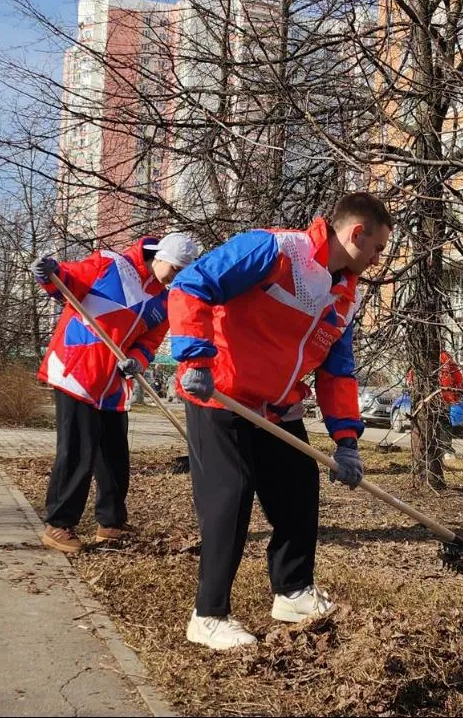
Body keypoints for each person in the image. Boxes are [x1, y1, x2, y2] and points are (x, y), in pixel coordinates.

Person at [168, 192, 391, 650]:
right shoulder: (272, 250)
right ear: (356, 234)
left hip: (277, 405)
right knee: (230, 496)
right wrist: (195, 358)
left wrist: (346, 438)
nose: (379, 260)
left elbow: (336, 369)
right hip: (220, 395)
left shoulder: (344, 295)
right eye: (378, 248)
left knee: (298, 488)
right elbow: (192, 285)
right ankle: (208, 615)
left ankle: (292, 592)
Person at [29, 232, 200, 554]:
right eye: (175, 269)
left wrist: (136, 360)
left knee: (114, 457)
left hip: (114, 384)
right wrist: (49, 274)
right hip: (77, 371)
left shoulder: (163, 300)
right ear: (159, 256)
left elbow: (148, 342)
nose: (175, 277)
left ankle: (111, 523)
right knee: (78, 452)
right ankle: (58, 524)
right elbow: (67, 280)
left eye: (182, 273)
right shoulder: (110, 265)